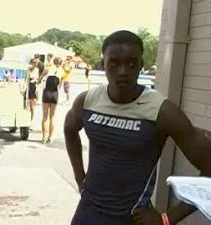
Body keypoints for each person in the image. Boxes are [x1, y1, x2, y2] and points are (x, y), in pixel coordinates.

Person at [64, 30, 211, 225]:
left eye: (131, 63)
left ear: (141, 65)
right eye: (114, 63)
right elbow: (69, 129)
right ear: (104, 65)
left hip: (132, 218)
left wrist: (167, 219)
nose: (123, 71)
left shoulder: (161, 110)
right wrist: (79, 177)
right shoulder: (88, 101)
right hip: (88, 212)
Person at [39, 57, 63, 144]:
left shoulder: (47, 69)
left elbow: (39, 79)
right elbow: (60, 85)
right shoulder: (62, 71)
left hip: (47, 93)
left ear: (53, 62)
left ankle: (43, 137)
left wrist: (38, 80)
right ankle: (50, 137)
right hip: (55, 94)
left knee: (45, 116)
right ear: (60, 63)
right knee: (52, 117)